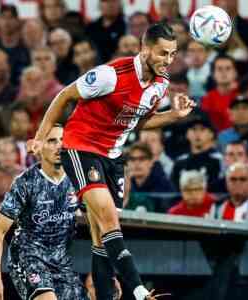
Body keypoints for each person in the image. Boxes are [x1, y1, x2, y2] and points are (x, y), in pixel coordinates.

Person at [28, 23, 194, 300]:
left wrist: (173, 117)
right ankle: (140, 290)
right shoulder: (110, 75)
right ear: (144, 49)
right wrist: (40, 136)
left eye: (172, 54)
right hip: (81, 148)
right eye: (162, 53)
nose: (167, 61)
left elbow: (138, 123)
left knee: (101, 239)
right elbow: (65, 95)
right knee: (109, 220)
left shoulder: (161, 85)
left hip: (113, 156)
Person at [0, 125, 97, 300]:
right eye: (52, 141)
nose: (59, 146)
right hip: (28, 257)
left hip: (61, 261)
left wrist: (108, 272)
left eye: (63, 140)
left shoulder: (77, 179)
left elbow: (96, 226)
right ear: (38, 147)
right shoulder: (26, 182)